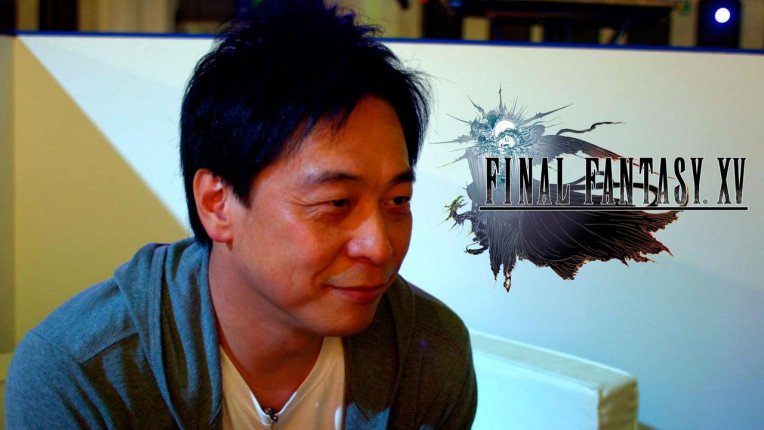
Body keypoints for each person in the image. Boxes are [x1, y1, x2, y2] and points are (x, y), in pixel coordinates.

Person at [5, 0, 477, 428]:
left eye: (397, 201)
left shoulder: (430, 355)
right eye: (336, 203)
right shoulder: (84, 373)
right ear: (217, 204)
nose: (379, 246)